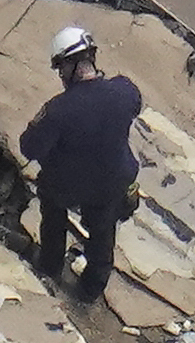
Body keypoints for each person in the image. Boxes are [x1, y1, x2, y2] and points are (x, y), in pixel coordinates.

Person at [21, 24, 141, 304]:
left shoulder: (58, 109)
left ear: (69, 66)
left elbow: (29, 147)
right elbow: (134, 107)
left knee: (51, 204)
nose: (61, 75)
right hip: (113, 183)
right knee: (103, 234)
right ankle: (90, 290)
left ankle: (50, 265)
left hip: (68, 186)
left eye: (61, 68)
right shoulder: (124, 91)